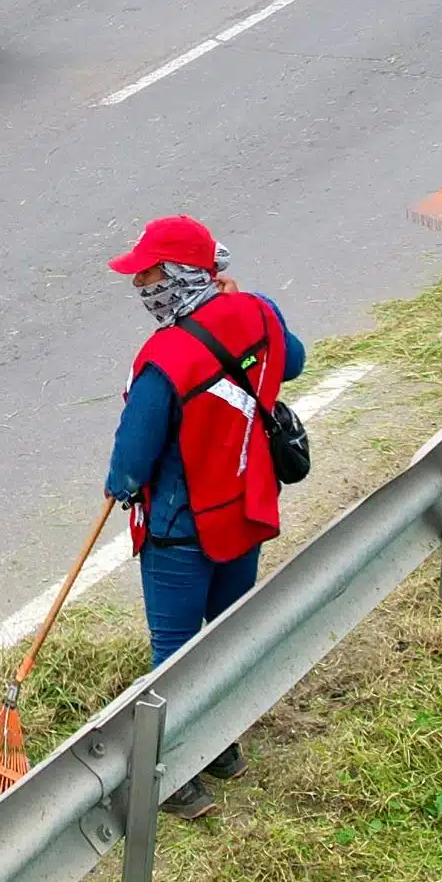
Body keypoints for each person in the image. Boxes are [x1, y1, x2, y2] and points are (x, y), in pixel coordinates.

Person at [100, 216, 309, 819]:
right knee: (226, 631)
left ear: (185, 274)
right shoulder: (257, 311)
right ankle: (224, 746)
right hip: (249, 506)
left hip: (180, 524)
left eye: (151, 273)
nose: (142, 284)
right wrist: (240, 302)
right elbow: (290, 362)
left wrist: (117, 485)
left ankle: (173, 774)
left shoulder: (164, 356)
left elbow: (134, 456)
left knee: (175, 646)